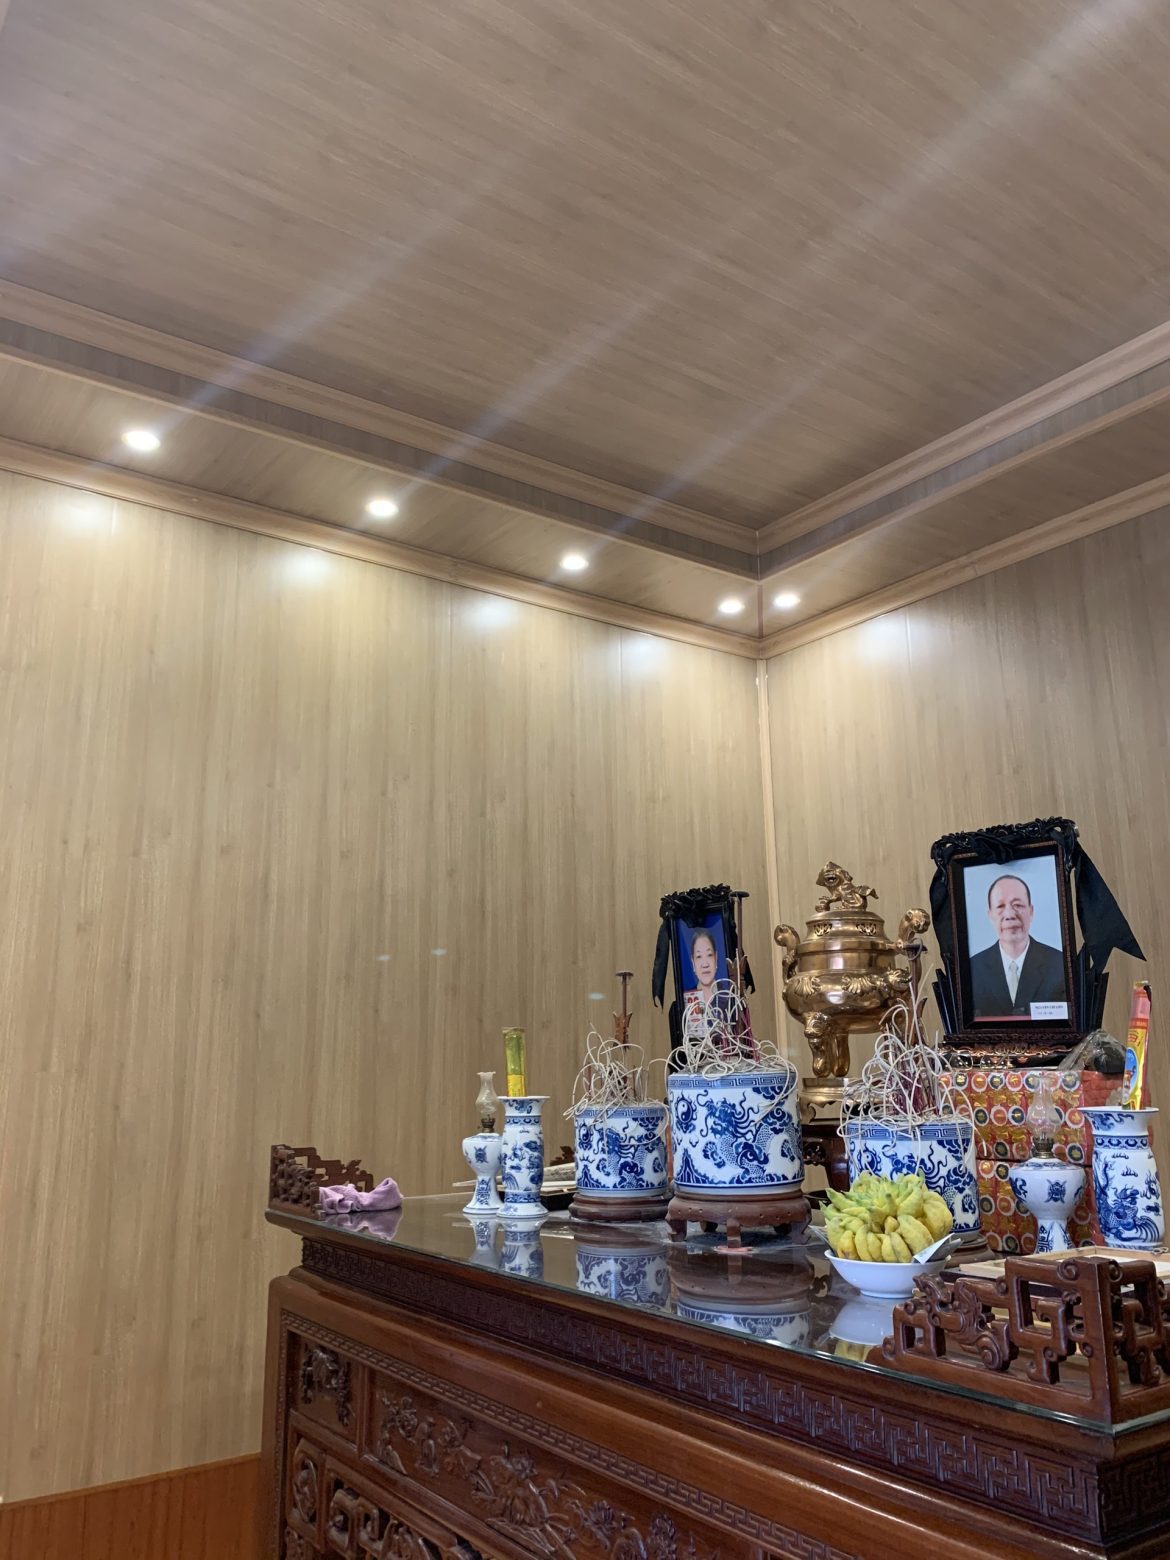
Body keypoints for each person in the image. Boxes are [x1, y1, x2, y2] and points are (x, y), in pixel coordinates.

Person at [969, 873, 1067, 1020]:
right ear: (990, 915)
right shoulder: (973, 969)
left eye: (1018, 905)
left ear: (1031, 911)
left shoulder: (1059, 964)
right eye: (1000, 906)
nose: (1009, 914)